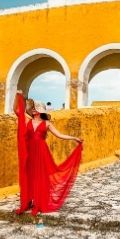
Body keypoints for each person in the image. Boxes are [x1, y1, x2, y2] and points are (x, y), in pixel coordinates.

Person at [13, 90, 84, 218]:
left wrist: (74, 138)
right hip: (30, 152)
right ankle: (28, 201)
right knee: (29, 175)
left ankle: (39, 202)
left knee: (40, 176)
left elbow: (60, 135)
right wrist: (17, 96)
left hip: (41, 152)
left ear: (42, 111)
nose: (34, 110)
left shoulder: (47, 123)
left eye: (37, 108)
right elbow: (16, 111)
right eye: (33, 108)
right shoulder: (28, 120)